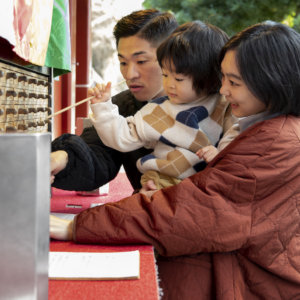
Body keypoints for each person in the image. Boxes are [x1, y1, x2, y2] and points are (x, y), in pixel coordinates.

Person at [50, 21, 300, 299]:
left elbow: (196, 208)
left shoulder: (265, 134)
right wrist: (64, 156)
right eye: (122, 62)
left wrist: (80, 226)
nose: (225, 90)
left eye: (233, 82)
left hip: (235, 275)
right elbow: (102, 149)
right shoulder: (148, 107)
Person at [88, 21, 237, 189]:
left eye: (179, 79)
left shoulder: (224, 104)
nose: (169, 85)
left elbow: (237, 139)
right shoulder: (160, 110)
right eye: (165, 75)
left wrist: (221, 155)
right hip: (163, 180)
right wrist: (103, 107)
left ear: (208, 76)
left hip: (206, 183)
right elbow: (123, 137)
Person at [50, 9, 178, 191]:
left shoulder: (209, 104)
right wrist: (62, 158)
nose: (129, 74)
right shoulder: (120, 107)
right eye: (123, 63)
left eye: (141, 61)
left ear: (172, 58)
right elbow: (96, 153)